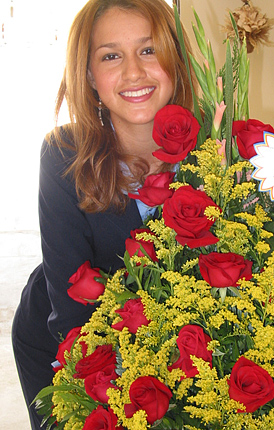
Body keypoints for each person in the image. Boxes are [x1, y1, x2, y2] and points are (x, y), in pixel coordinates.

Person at [11, 0, 195, 428]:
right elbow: (72, 310)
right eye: (111, 56)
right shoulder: (64, 154)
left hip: (176, 350)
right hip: (65, 337)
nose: (134, 71)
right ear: (90, 76)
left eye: (148, 50)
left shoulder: (215, 150)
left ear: (176, 60)